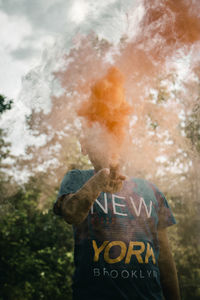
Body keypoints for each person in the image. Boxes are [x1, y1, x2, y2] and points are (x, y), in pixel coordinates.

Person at [53, 140, 181, 300]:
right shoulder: (77, 178)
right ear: (84, 147)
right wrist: (99, 181)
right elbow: (71, 213)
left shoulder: (151, 190)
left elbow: (165, 258)